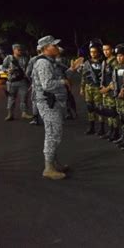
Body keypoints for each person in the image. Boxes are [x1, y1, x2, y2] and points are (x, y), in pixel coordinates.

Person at [31, 36, 83, 179]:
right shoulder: (43, 63)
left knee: (54, 133)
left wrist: (72, 69)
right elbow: (47, 84)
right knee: (53, 134)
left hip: (54, 103)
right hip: (49, 103)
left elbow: (61, 77)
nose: (57, 47)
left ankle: (53, 163)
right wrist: (62, 81)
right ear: (45, 48)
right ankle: (48, 168)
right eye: (53, 45)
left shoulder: (50, 62)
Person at [2, 44, 32, 121]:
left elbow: (28, 68)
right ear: (14, 50)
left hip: (22, 81)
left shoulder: (25, 58)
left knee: (24, 97)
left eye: (21, 49)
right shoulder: (9, 58)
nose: (20, 51)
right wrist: (7, 70)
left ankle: (24, 113)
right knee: (11, 98)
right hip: (12, 81)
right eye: (18, 50)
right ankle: (10, 114)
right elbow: (3, 67)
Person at [80, 41, 104, 135]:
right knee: (90, 107)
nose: (93, 54)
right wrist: (82, 88)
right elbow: (83, 76)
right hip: (88, 87)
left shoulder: (103, 62)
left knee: (99, 107)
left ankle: (101, 128)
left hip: (98, 88)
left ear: (98, 52)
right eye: (91, 52)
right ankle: (92, 127)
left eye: (94, 52)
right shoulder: (87, 63)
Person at [99, 43, 119, 140]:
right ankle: (110, 130)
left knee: (113, 112)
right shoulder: (105, 61)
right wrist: (102, 86)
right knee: (108, 112)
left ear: (112, 50)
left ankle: (115, 132)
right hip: (105, 90)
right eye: (104, 50)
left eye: (107, 49)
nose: (105, 52)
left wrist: (107, 89)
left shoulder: (115, 62)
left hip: (111, 91)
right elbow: (103, 76)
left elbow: (115, 79)